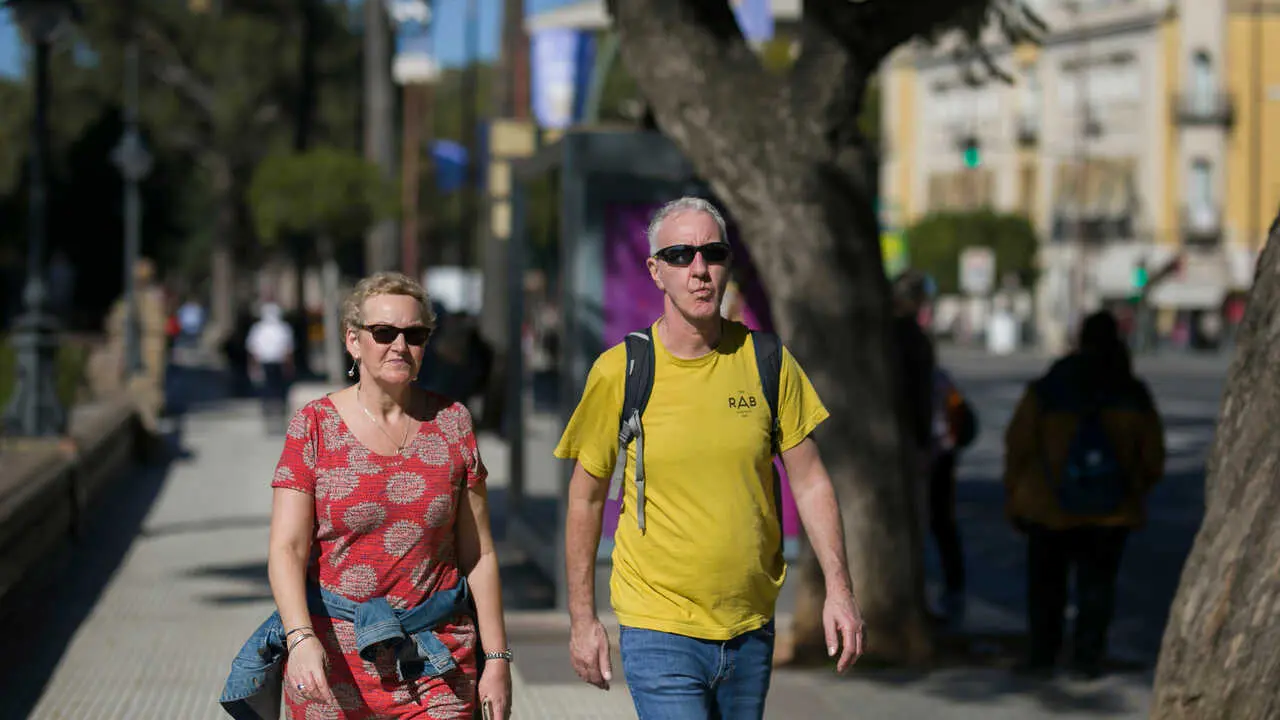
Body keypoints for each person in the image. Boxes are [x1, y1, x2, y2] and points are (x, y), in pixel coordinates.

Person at [555, 197, 865, 719]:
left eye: (712, 253)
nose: (699, 270)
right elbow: (585, 500)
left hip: (750, 627)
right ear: (655, 271)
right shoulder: (622, 371)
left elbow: (811, 482)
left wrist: (840, 590)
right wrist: (583, 621)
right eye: (680, 255)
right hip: (659, 627)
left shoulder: (767, 361)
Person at [220, 272, 513, 719]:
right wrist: (299, 639)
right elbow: (287, 548)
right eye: (384, 333)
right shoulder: (314, 426)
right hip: (333, 659)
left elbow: (479, 554)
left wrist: (496, 659)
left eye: (414, 334)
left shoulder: (452, 423)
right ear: (353, 341)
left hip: (436, 658)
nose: (400, 345)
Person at [1004, 310, 1165, 680]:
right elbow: (1153, 454)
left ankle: (1043, 655)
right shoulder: (1131, 390)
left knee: (1046, 587)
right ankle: (1087, 658)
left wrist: (1016, 492)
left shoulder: (1051, 385)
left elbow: (1019, 443)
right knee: (1098, 588)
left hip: (1048, 508)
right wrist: (1135, 489)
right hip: (1112, 511)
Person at [246, 302, 296, 433]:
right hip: (270, 363)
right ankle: (272, 415)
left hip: (275, 363)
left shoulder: (267, 328)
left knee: (274, 390)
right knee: (272, 390)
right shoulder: (264, 328)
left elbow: (287, 349)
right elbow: (254, 349)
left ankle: (276, 415)